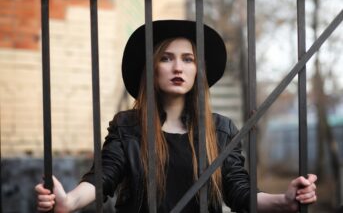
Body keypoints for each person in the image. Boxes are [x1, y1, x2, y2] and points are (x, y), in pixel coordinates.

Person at [35, 20, 317, 213]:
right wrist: (69, 201)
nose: (178, 67)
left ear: (197, 71)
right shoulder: (127, 127)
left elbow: (240, 191)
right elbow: (102, 178)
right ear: (153, 67)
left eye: (188, 59)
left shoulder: (220, 130)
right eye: (167, 58)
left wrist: (284, 200)